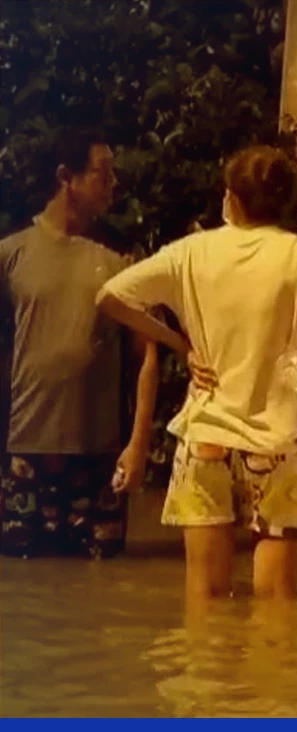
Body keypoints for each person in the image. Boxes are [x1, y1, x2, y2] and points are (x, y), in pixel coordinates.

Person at [96, 145, 297, 600]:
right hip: (282, 442)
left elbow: (110, 298)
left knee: (204, 604)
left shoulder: (190, 254)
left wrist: (181, 343)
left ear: (231, 198)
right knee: (276, 608)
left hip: (206, 439)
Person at [0, 128, 160, 558]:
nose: (113, 186)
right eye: (102, 175)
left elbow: (148, 354)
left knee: (100, 588)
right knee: (24, 585)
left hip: (100, 456)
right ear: (66, 177)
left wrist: (139, 443)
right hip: (24, 450)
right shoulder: (13, 253)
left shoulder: (120, 257)